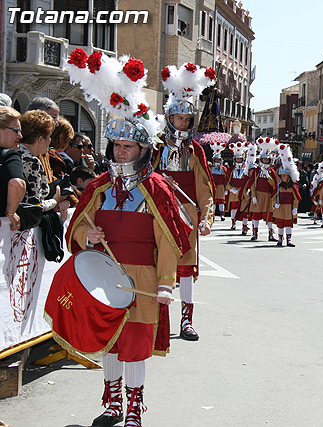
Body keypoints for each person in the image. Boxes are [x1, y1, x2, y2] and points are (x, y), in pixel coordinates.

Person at [64, 49, 191, 427]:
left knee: (135, 344)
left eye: (128, 146)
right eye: (117, 145)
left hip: (144, 277)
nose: (121, 151)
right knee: (109, 340)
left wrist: (167, 282)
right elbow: (77, 228)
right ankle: (113, 403)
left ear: (142, 150)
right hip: (104, 274)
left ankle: (134, 407)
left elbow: (169, 240)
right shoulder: (99, 186)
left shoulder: (157, 188)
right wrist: (88, 235)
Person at [154, 62, 216, 341]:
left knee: (187, 267)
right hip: (159, 211)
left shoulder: (195, 150)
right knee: (155, 263)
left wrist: (206, 217)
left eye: (187, 119)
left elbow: (204, 186)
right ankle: (157, 318)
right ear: (169, 117)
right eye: (179, 118)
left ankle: (187, 320)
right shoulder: (155, 146)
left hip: (187, 213)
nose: (184, 123)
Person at [16, 110, 66, 214]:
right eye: (49, 136)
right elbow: (35, 205)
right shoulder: (31, 161)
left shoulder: (15, 152)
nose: (50, 141)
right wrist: (55, 201)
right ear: (40, 139)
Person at [0, 106, 26, 230]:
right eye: (16, 130)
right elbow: (17, 184)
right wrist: (11, 213)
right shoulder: (9, 156)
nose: (20, 136)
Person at [249, 137, 279, 241]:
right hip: (258, 195)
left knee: (269, 215)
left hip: (268, 196)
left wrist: (268, 177)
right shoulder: (257, 171)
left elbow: (275, 185)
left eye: (267, 159)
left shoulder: (271, 172)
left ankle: (271, 234)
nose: (265, 161)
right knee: (256, 215)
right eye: (264, 159)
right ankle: (254, 233)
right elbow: (252, 184)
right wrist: (253, 196)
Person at [272, 144, 301, 246]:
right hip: (280, 207)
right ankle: (280, 239)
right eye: (282, 175)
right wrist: (275, 204)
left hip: (289, 207)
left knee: (289, 223)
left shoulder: (292, 187)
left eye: (284, 175)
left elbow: (296, 198)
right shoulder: (279, 186)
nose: (282, 177)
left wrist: (295, 208)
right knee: (280, 223)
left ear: (288, 177)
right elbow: (273, 197)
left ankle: (289, 240)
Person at [227, 142, 251, 233]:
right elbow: (227, 181)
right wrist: (231, 189)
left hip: (243, 191)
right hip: (235, 191)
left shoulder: (246, 168)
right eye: (237, 159)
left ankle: (244, 226)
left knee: (244, 208)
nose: (239, 160)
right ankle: (233, 222)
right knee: (234, 207)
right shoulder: (231, 169)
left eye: (240, 159)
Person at [209, 142, 229, 221]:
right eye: (216, 159)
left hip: (220, 186)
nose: (217, 160)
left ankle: (222, 214)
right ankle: (212, 215)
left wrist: (226, 189)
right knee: (213, 201)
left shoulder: (223, 169)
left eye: (219, 159)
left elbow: (226, 179)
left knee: (221, 201)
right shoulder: (211, 168)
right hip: (213, 186)